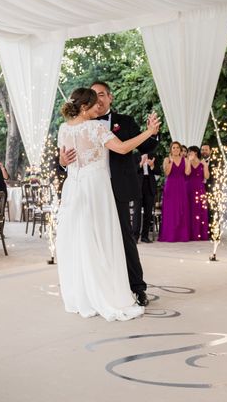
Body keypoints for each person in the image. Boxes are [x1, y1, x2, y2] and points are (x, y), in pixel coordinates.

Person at [56, 88, 160, 321]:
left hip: (74, 188)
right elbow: (123, 148)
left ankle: (84, 294)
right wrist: (149, 131)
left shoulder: (63, 128)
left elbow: (68, 156)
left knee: (82, 240)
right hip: (95, 189)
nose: (98, 108)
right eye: (94, 105)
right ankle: (105, 293)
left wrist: (64, 161)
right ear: (85, 107)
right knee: (104, 240)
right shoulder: (96, 127)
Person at [159, 141, 191, 242]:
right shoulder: (167, 159)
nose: (176, 149)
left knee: (182, 209)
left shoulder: (185, 160)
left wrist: (189, 162)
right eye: (174, 147)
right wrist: (171, 161)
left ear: (180, 149)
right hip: (170, 187)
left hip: (181, 186)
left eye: (177, 147)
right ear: (171, 149)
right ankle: (170, 235)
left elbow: (187, 173)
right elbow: (167, 173)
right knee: (171, 210)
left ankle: (181, 235)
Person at [132, 152, 160, 243]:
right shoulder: (135, 155)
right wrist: (140, 164)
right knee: (137, 212)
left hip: (149, 185)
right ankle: (135, 236)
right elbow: (132, 171)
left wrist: (152, 166)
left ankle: (145, 236)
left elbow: (158, 172)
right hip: (138, 186)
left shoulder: (153, 156)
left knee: (148, 212)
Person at [185, 145, 209, 241]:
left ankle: (199, 234)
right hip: (188, 189)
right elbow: (187, 173)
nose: (188, 154)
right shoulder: (187, 162)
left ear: (195, 153)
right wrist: (189, 162)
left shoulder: (202, 163)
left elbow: (206, 177)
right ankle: (190, 234)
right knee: (189, 210)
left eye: (190, 152)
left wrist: (206, 166)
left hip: (199, 189)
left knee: (199, 210)